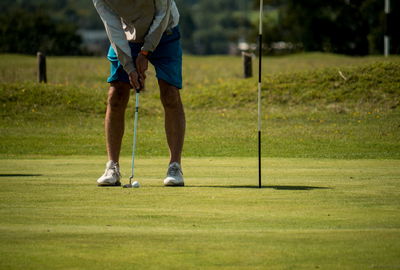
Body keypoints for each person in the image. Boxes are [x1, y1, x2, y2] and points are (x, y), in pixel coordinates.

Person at [93, 0, 185, 187]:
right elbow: (113, 27)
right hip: (127, 35)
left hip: (165, 30)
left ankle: (175, 166)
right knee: (116, 94)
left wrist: (144, 53)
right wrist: (129, 67)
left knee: (170, 93)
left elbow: (162, 14)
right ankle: (112, 167)